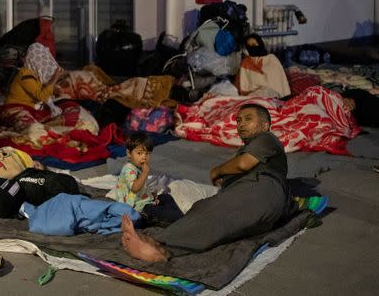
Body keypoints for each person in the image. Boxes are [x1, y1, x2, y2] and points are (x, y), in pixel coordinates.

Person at [120, 103, 294, 262]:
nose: (241, 124)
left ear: (265, 125)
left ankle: (161, 247)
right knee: (204, 208)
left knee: (215, 213)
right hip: (251, 193)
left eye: (248, 119)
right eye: (239, 120)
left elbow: (242, 164)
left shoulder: (266, 138)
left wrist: (218, 170)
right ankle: (160, 242)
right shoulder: (249, 148)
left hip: (262, 190)